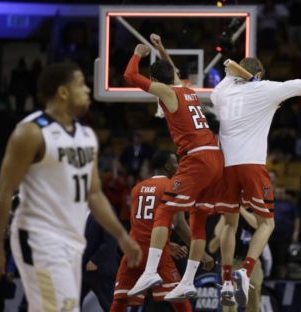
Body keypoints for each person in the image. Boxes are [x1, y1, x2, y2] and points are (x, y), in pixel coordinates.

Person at [0, 63, 142, 311]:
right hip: (38, 238)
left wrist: (122, 236)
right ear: (63, 92)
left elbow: (95, 194)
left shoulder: (86, 135)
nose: (88, 90)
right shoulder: (30, 132)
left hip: (72, 241)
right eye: (81, 84)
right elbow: (4, 190)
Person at [125, 34, 223, 301]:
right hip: (215, 156)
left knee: (164, 211)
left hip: (197, 159)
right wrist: (161, 49)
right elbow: (175, 72)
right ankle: (188, 280)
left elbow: (130, 76)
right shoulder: (186, 90)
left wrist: (137, 53)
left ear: (156, 82)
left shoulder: (166, 91)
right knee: (199, 217)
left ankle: (150, 271)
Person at [210, 58, 301, 307]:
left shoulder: (223, 91)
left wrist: (234, 75)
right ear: (260, 73)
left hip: (225, 166)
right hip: (252, 165)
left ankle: (226, 280)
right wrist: (265, 87)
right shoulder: (263, 89)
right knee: (267, 224)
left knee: (229, 225)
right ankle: (245, 270)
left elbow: (218, 88)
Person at [111, 151, 207, 311]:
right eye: (176, 162)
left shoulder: (136, 188)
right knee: (181, 300)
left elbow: (140, 226)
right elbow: (181, 226)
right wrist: (202, 254)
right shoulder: (173, 187)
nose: (178, 166)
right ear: (167, 166)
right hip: (156, 254)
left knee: (120, 301)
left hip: (133, 252)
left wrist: (168, 246)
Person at [208, 208, 265, 312]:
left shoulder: (254, 209)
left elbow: (257, 224)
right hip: (231, 261)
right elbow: (212, 248)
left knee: (254, 292)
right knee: (229, 300)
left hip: (251, 260)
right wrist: (225, 218)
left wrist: (240, 208)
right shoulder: (225, 213)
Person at [81, 213, 119, 311]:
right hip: (83, 267)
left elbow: (111, 239)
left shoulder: (107, 210)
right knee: (72, 300)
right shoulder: (84, 211)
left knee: (111, 305)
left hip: (101, 270)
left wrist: (95, 261)